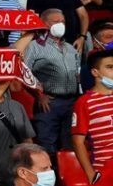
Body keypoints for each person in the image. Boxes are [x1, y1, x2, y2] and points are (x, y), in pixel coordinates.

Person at [24, 9, 81, 153]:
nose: (61, 25)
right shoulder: (35, 46)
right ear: (44, 24)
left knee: (71, 143)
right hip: (49, 102)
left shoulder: (70, 48)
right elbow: (24, 73)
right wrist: (38, 95)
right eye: (56, 22)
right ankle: (49, 172)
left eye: (63, 22)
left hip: (72, 102)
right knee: (47, 142)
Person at [70, 49, 113, 182]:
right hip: (105, 172)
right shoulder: (84, 103)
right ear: (95, 72)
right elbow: (78, 142)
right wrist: (91, 175)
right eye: (110, 67)